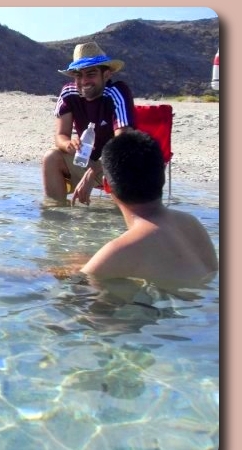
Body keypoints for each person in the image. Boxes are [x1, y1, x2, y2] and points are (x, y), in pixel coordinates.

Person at [80, 130, 218, 288]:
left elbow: (80, 293)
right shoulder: (191, 223)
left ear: (106, 185)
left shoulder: (119, 251)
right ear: (163, 176)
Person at [42, 41, 136, 206]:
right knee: (51, 158)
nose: (84, 81)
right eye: (78, 75)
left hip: (117, 164)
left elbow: (121, 145)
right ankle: (55, 218)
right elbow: (60, 135)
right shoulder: (69, 92)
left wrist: (93, 172)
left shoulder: (117, 92)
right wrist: (68, 144)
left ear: (106, 75)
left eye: (91, 74)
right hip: (86, 161)